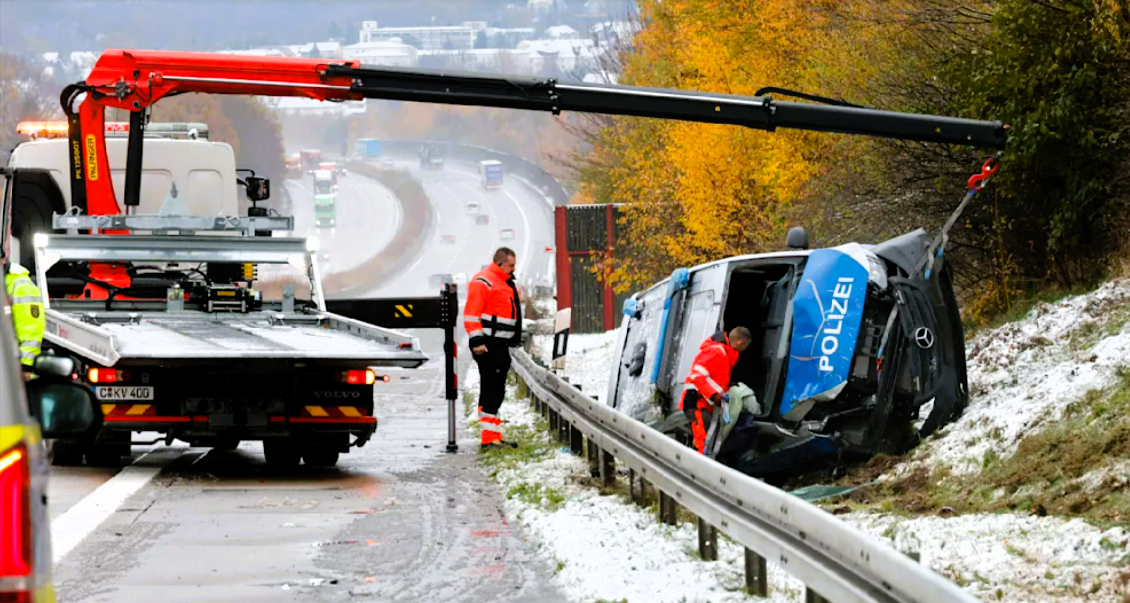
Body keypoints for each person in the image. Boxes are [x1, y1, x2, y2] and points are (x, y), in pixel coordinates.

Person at [464, 247, 523, 449]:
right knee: (491, 390)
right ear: (500, 264)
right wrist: (477, 342)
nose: (514, 269)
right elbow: (472, 315)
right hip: (488, 345)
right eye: (511, 265)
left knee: (497, 390)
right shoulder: (483, 282)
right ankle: (489, 438)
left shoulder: (504, 282)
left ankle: (494, 435)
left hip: (501, 345)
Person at [679, 327, 752, 454]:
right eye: (745, 346)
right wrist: (713, 395)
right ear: (740, 343)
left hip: (706, 405)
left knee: (708, 443)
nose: (744, 350)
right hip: (698, 404)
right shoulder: (716, 352)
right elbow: (696, 376)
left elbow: (713, 376)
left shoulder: (724, 353)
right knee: (703, 445)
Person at [4, 261, 46, 369]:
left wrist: (26, 366)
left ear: (3, 260)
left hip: (11, 371)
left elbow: (30, 330)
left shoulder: (21, 285)